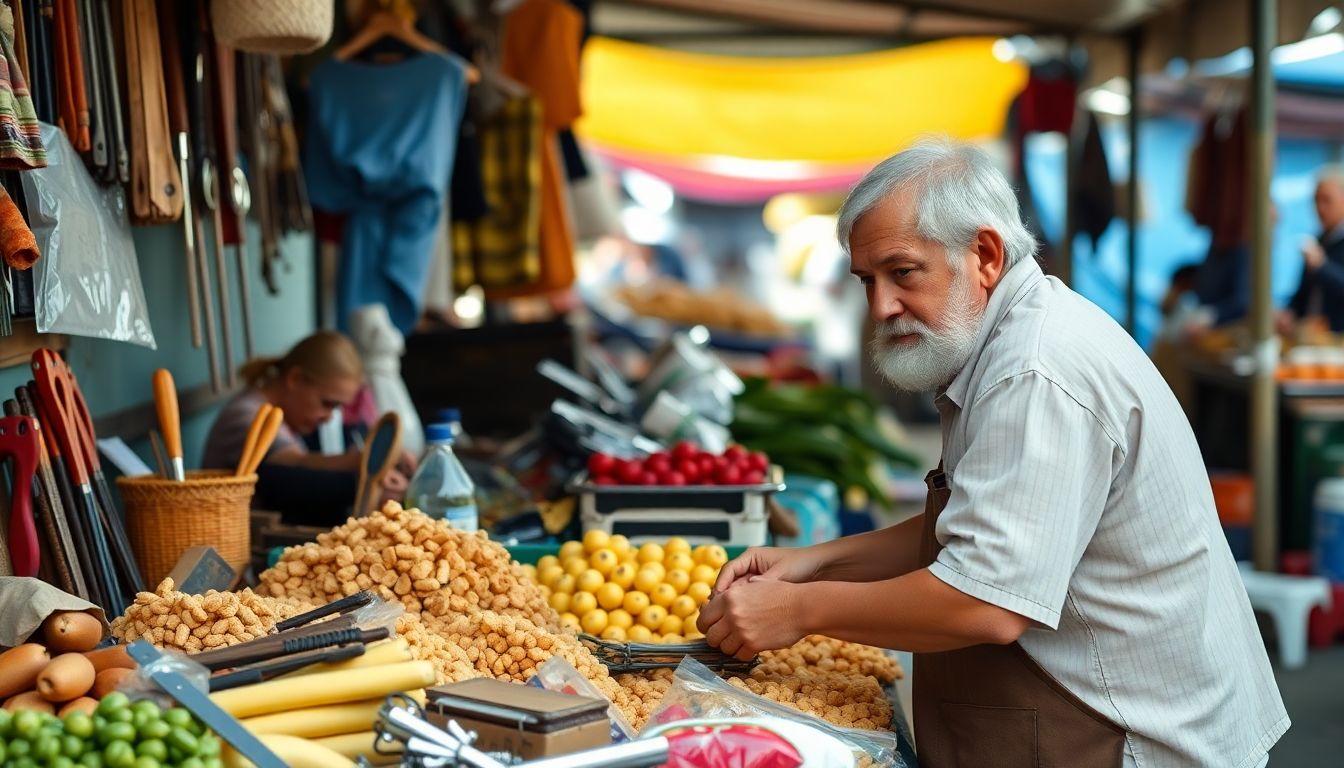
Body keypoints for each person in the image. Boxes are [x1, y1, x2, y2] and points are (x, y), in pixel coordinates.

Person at [697, 139, 1287, 768]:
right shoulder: (1005, 336)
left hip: (1134, 738)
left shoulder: (1033, 371)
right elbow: (978, 525)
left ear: (983, 255)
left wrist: (799, 608)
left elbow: (986, 600)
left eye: (903, 272)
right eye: (867, 280)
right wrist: (814, 563)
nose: (881, 306)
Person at [202, 331, 412, 522]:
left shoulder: (285, 415)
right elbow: (294, 463)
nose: (329, 418)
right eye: (327, 404)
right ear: (295, 379)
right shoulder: (246, 416)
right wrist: (366, 462)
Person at [1280, 164, 1344, 332]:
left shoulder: (1320, 252)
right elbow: (1303, 293)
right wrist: (1290, 312)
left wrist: (1321, 266)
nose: (1320, 208)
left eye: (1327, 200)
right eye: (1316, 200)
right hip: (1311, 334)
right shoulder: (1317, 241)